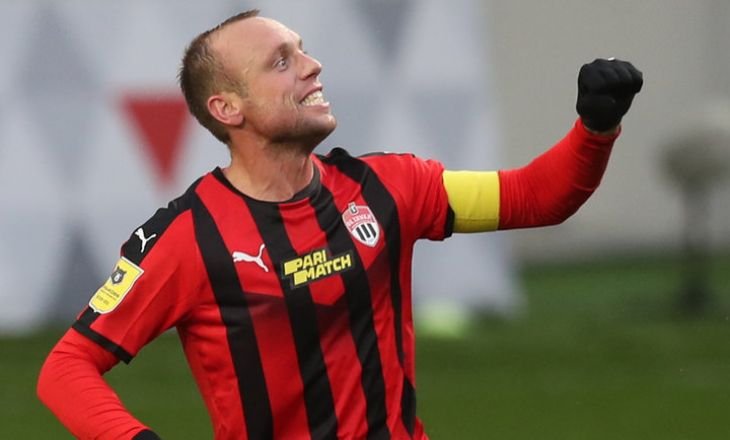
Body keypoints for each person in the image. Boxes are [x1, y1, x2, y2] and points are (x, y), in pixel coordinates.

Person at [37, 9, 643, 440]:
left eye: (302, 49)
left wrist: (595, 127)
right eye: (282, 61)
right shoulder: (186, 237)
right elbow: (66, 369)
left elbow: (537, 197)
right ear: (227, 108)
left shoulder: (390, 186)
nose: (312, 65)